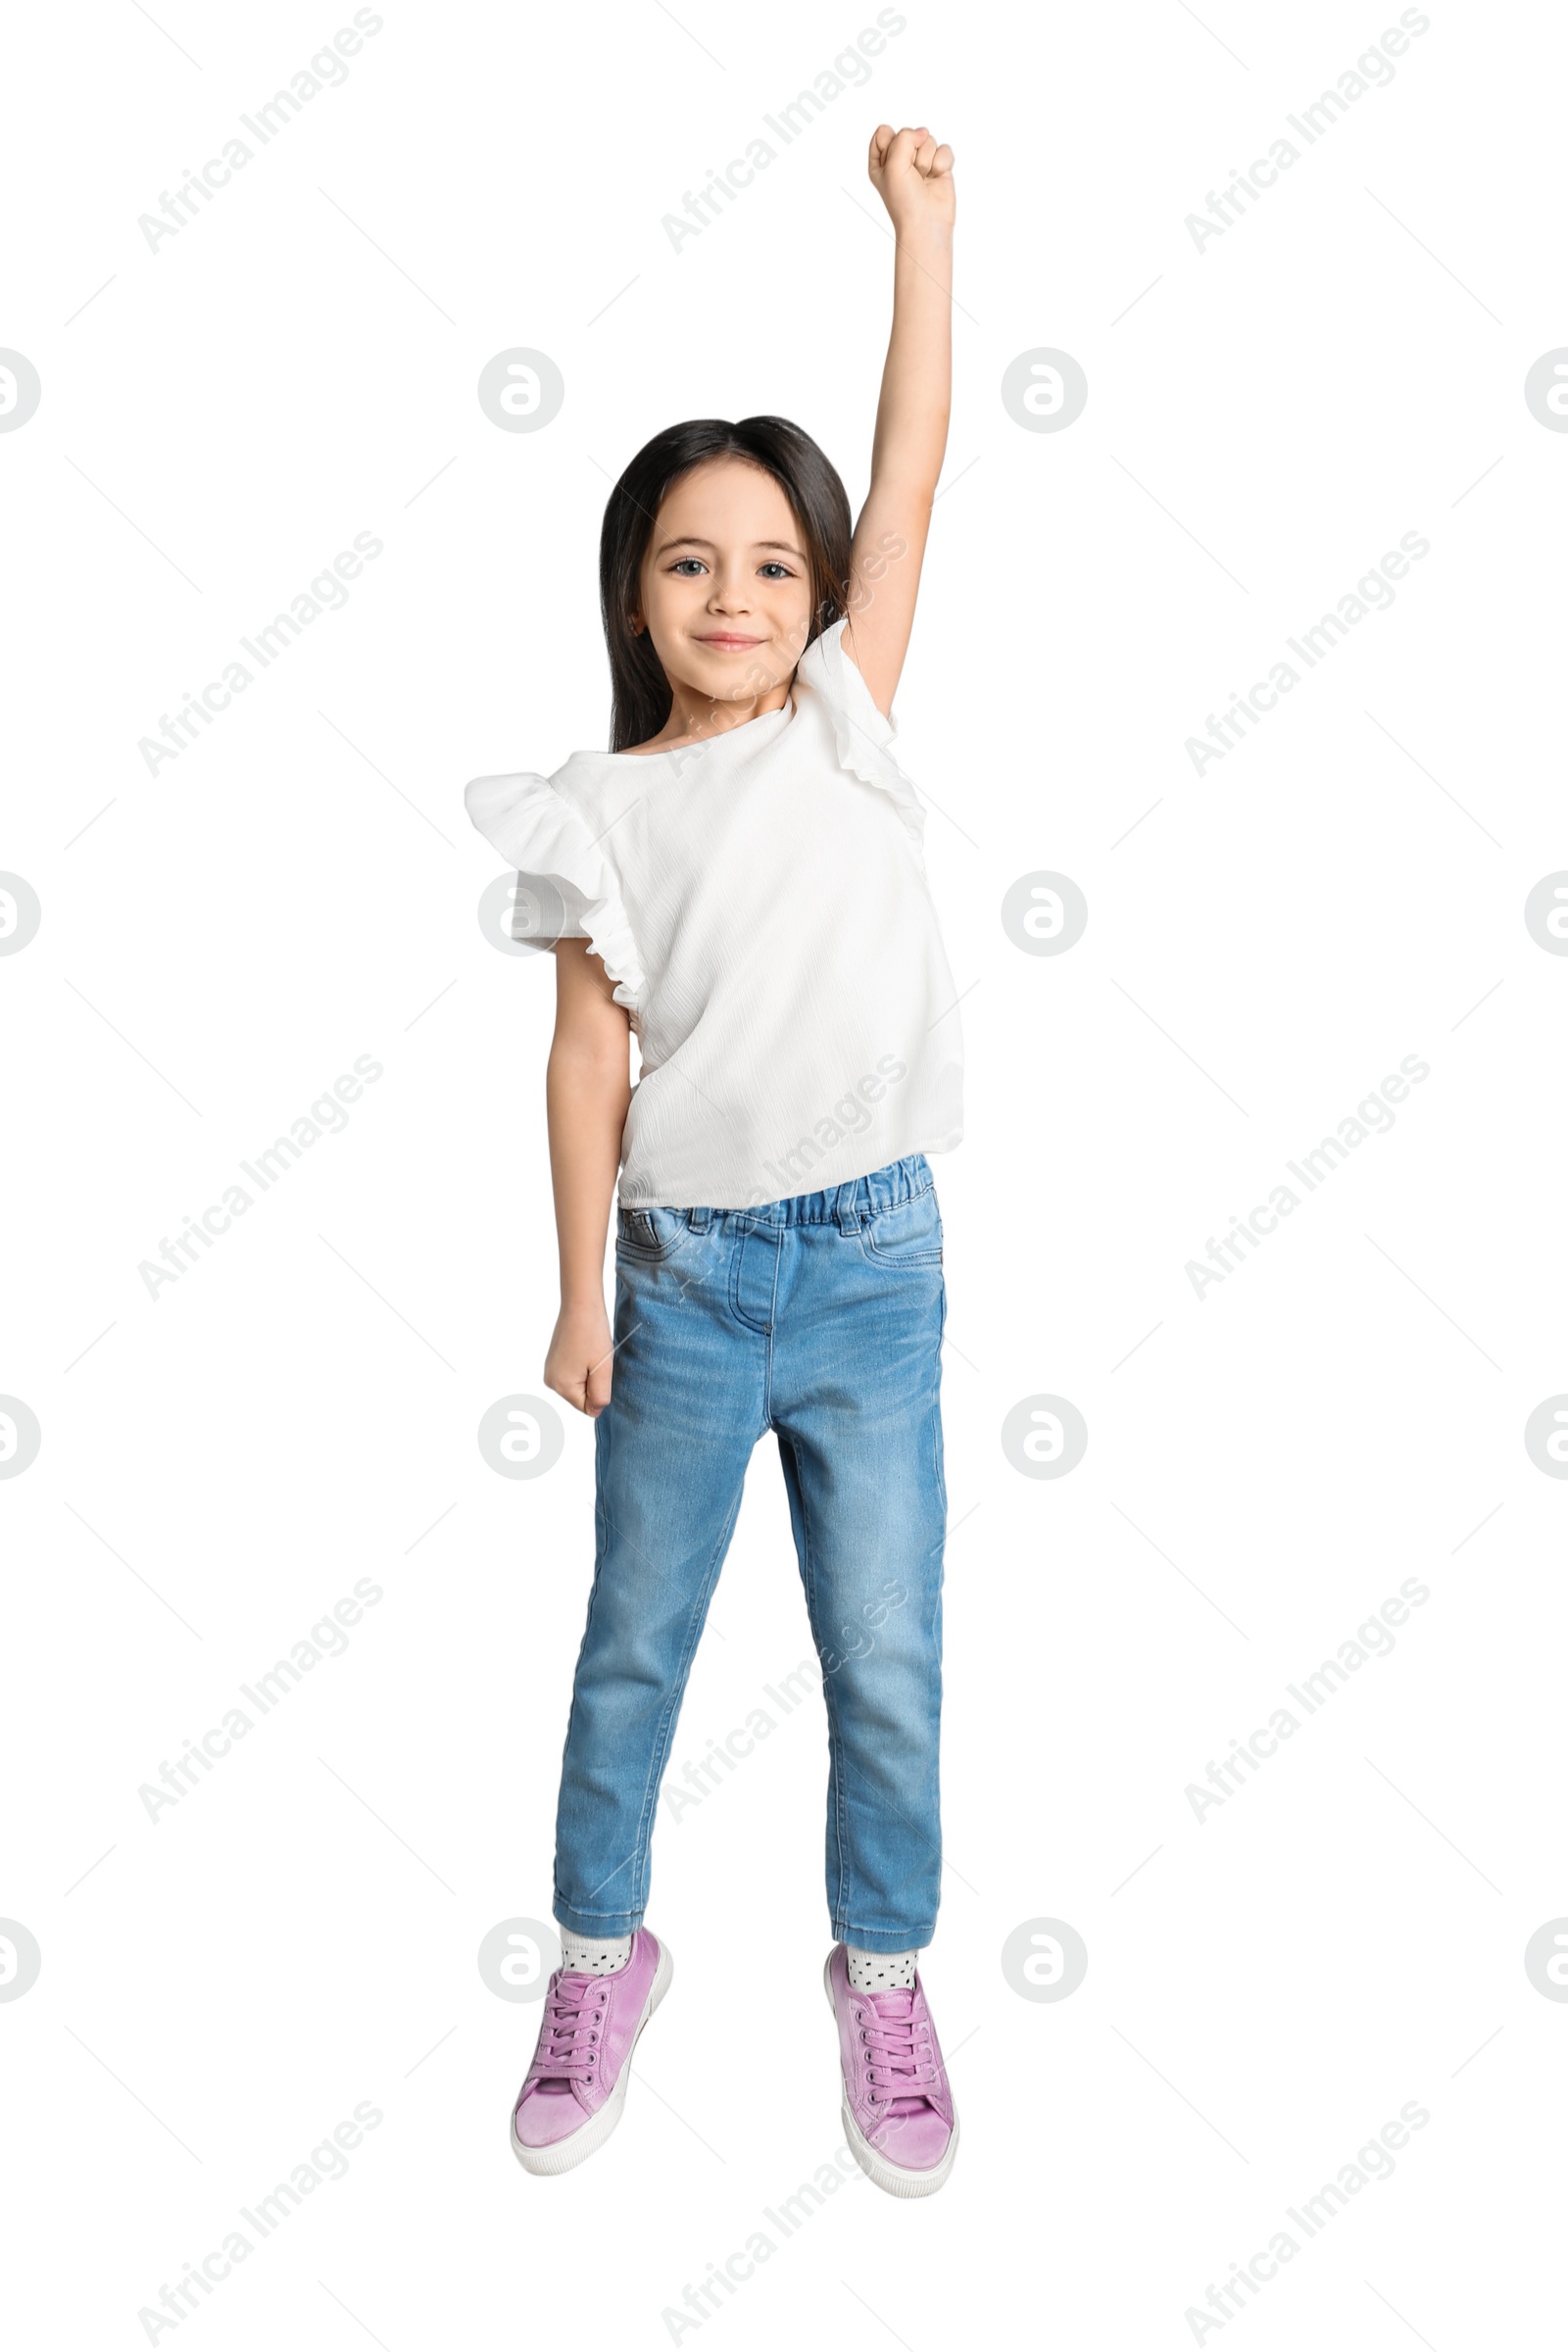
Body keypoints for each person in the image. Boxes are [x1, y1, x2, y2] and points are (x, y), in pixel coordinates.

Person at [467, 124, 963, 2196]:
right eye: (690, 560)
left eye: (772, 561)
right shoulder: (602, 805)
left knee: (886, 1645)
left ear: (821, 590)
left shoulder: (844, 712)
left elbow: (915, 451)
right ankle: (602, 1952)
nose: (737, 594)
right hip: (677, 1282)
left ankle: (882, 1972)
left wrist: (922, 234)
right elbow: (589, 1064)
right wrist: (582, 1291)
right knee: (635, 1637)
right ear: (633, 590)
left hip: (870, 1267)